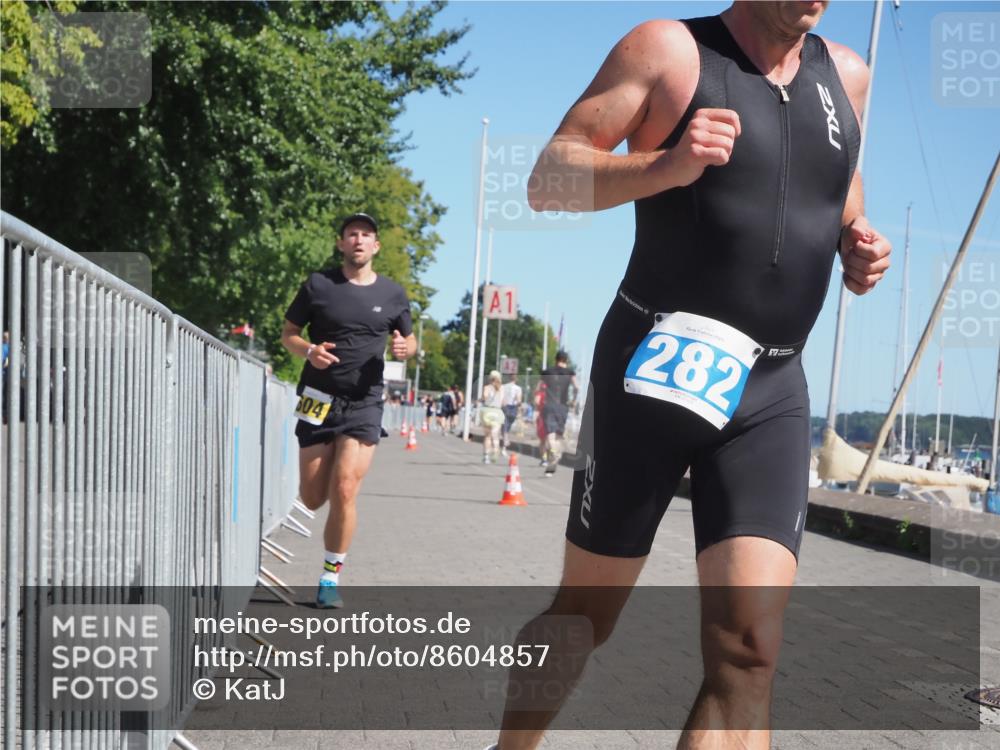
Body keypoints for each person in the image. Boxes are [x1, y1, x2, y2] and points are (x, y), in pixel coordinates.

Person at [489, 3, 891, 749]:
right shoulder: (669, 51)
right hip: (652, 369)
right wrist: (668, 165)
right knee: (583, 618)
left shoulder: (849, 76)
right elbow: (548, 179)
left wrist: (852, 243)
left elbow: (839, 183)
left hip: (770, 391)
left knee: (749, 651)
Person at [281, 212, 416, 609]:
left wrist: (408, 349)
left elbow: (408, 339)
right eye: (351, 234)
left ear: (376, 246)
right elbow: (288, 334)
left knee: (344, 488)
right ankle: (326, 562)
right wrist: (310, 350)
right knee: (312, 497)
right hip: (316, 397)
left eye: (366, 235)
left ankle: (329, 577)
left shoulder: (393, 294)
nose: (358, 240)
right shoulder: (318, 285)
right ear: (341, 243)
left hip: (365, 401)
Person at [539, 351, 577, 477]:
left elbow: (540, 388)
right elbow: (577, 388)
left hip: (549, 405)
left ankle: (553, 454)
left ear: (556, 359)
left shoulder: (547, 372)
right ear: (566, 360)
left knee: (550, 434)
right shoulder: (570, 372)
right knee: (558, 435)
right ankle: (554, 459)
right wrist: (573, 400)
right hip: (563, 406)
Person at [480, 370, 505, 463]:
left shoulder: (487, 387)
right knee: (495, 435)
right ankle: (495, 452)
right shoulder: (502, 388)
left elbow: (485, 397)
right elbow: (503, 402)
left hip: (487, 411)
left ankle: (486, 456)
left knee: (487, 436)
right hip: (497, 412)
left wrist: (482, 398)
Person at [500, 374, 524, 456]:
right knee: (508, 425)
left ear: (508, 378)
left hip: (504, 406)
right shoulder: (518, 388)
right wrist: (520, 408)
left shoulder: (503, 387)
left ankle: (504, 442)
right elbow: (518, 400)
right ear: (516, 379)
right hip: (513, 407)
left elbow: (501, 397)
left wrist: (503, 404)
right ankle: (505, 442)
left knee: (504, 425)